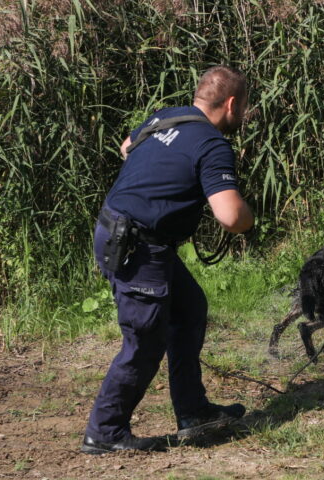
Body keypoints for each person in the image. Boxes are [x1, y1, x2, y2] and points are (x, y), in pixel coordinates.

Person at [81, 65, 255, 454]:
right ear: (230, 104)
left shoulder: (167, 116)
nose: (243, 115)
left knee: (189, 308)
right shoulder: (212, 144)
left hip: (118, 230)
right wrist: (249, 218)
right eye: (243, 107)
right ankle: (104, 432)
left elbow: (127, 146)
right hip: (138, 246)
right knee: (144, 341)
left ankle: (193, 412)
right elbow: (230, 218)